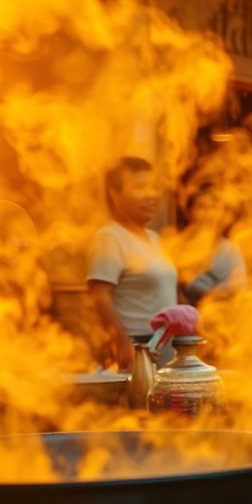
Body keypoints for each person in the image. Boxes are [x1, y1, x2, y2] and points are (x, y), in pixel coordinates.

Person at [88, 157, 178, 370]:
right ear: (115, 196)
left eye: (154, 187)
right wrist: (120, 341)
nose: (152, 195)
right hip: (137, 347)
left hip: (165, 346)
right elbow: (99, 295)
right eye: (140, 187)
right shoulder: (110, 237)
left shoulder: (154, 239)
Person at [164, 185, 247, 306]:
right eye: (201, 207)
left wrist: (215, 295)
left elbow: (239, 286)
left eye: (214, 208)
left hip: (220, 314)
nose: (208, 213)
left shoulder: (230, 249)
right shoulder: (175, 245)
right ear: (189, 212)